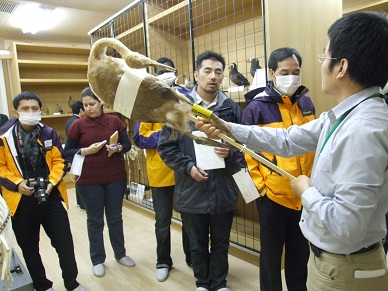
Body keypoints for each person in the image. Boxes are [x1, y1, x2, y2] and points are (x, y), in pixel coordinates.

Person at [196, 11, 388, 291]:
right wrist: (229, 128)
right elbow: (288, 139)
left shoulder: (362, 129)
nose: (321, 66)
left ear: (342, 67)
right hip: (295, 217)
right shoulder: (348, 114)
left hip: (344, 266)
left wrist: (306, 190)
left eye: (325, 57)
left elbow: (347, 225)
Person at [158, 51, 243, 291]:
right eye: (207, 71)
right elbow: (166, 147)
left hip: (223, 188)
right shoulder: (179, 109)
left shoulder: (231, 109)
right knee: (196, 244)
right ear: (196, 75)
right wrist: (187, 166)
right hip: (191, 188)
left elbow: (246, 147)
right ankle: (202, 283)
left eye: (218, 72)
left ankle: (220, 283)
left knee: (221, 243)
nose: (213, 76)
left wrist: (231, 153)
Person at [243, 47, 315, 291]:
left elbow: (312, 146)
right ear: (272, 73)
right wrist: (261, 188)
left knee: (299, 255)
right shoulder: (256, 108)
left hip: (303, 194)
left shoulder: (306, 102)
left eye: (296, 72)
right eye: (285, 72)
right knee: (271, 257)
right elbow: (247, 154)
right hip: (272, 196)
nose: (292, 77)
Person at [0, 91, 87, 291]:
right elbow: (1, 167)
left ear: (40, 110)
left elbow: (59, 161)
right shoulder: (3, 137)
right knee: (30, 249)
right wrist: (18, 184)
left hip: (50, 196)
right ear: (15, 111)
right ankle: (42, 285)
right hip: (20, 201)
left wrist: (51, 182)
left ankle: (72, 283)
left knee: (65, 244)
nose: (31, 112)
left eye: (34, 108)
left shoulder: (48, 133)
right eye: (25, 109)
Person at [64, 87, 135, 278]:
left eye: (92, 104)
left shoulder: (114, 121)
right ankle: (97, 260)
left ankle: (120, 254)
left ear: (101, 103)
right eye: (85, 105)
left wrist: (118, 147)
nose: (88, 108)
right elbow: (67, 151)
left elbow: (127, 144)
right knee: (95, 221)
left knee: (115, 218)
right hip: (88, 181)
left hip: (115, 179)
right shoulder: (77, 126)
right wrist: (85, 151)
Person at [132, 57, 191, 282]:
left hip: (185, 170)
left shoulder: (184, 96)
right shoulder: (145, 103)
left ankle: (192, 258)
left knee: (190, 219)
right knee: (162, 221)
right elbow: (139, 137)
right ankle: (163, 260)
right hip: (160, 172)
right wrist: (167, 135)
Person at [65, 101, 86, 209]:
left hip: (73, 153)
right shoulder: (78, 122)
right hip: (79, 152)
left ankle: (80, 202)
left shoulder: (69, 120)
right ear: (81, 110)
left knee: (77, 176)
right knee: (80, 177)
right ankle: (83, 202)